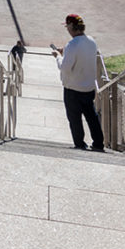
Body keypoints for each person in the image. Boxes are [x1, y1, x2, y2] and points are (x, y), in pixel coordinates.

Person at [50, 13, 105, 152]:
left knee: (74, 118)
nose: (67, 29)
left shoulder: (72, 44)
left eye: (67, 26)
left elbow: (65, 67)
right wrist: (65, 53)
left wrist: (58, 56)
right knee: (91, 116)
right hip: (88, 87)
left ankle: (80, 144)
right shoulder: (91, 41)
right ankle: (98, 143)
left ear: (72, 26)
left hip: (73, 89)